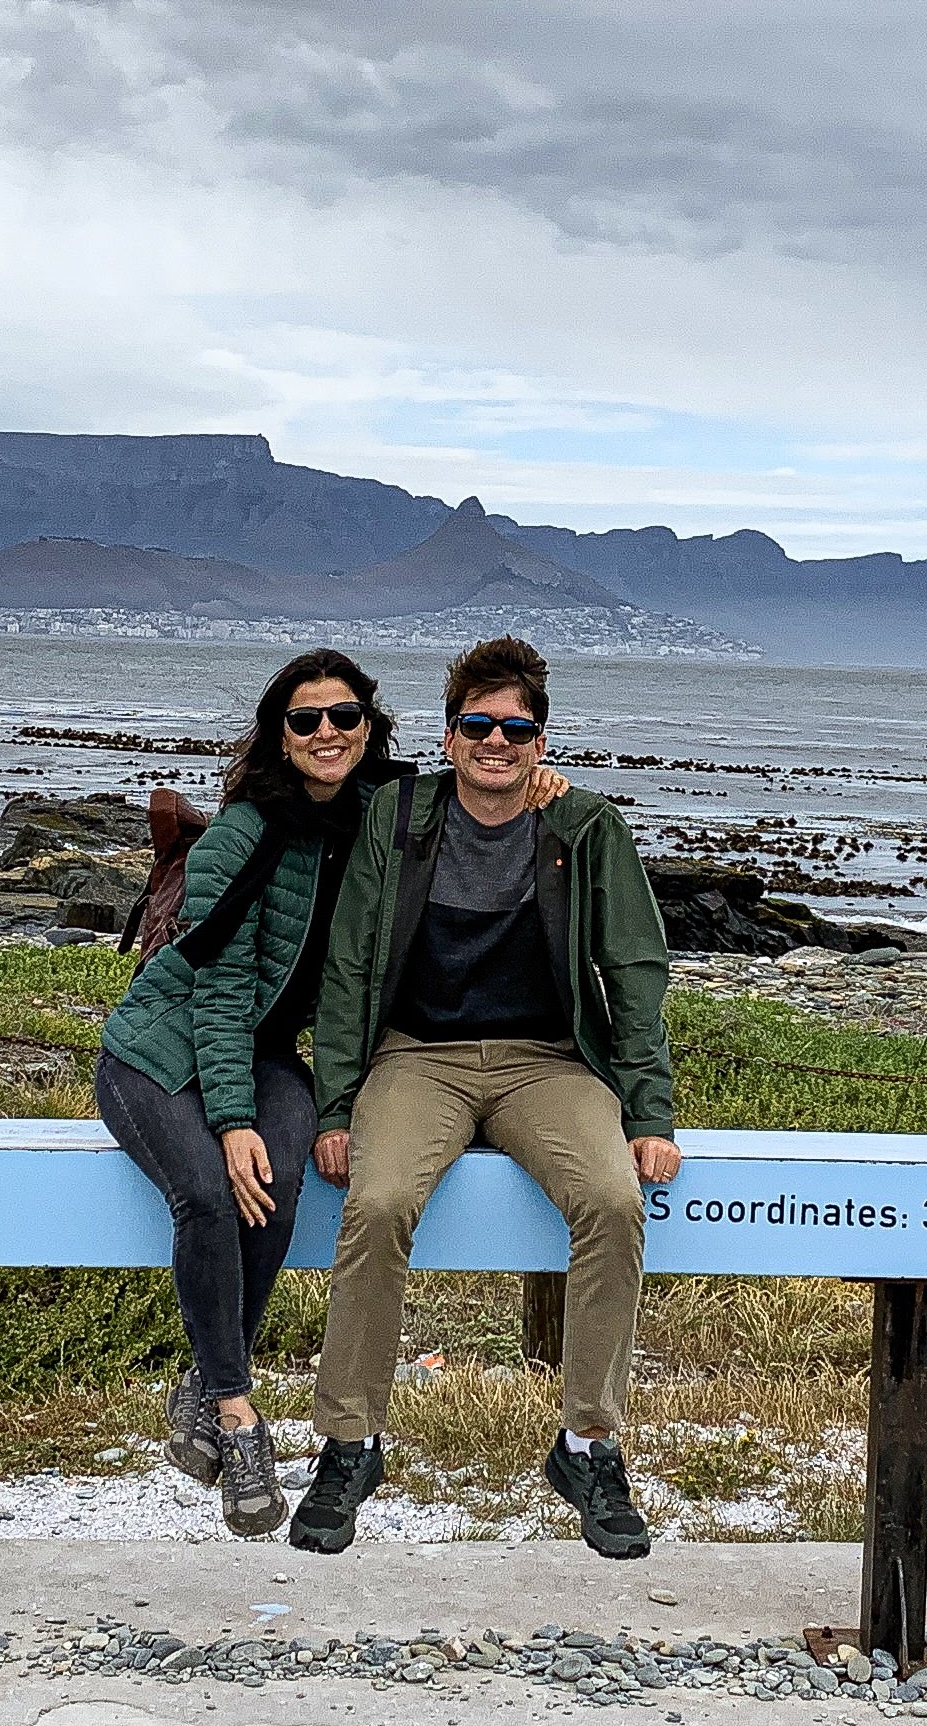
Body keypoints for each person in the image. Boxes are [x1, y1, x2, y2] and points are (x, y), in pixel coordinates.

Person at [91, 648, 561, 1536]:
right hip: (160, 1051)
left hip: (266, 1050)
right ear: (281, 736)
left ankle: (202, 1382)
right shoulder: (244, 835)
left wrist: (539, 784)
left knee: (277, 1183)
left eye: (344, 716)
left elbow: (477, 778)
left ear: (368, 728)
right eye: (305, 720)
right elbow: (220, 994)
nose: (326, 733)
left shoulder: (383, 811)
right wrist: (232, 1119)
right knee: (211, 1191)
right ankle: (238, 1417)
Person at [294, 635, 681, 1561]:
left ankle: (589, 1446)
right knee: (379, 1202)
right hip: (417, 1057)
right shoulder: (397, 815)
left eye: (515, 729)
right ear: (449, 736)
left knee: (612, 1201)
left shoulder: (584, 827)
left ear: (541, 741)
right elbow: (347, 968)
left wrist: (649, 1113)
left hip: (547, 1061)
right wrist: (336, 1107)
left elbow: (633, 969)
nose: (496, 743)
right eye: (477, 726)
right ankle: (350, 1444)